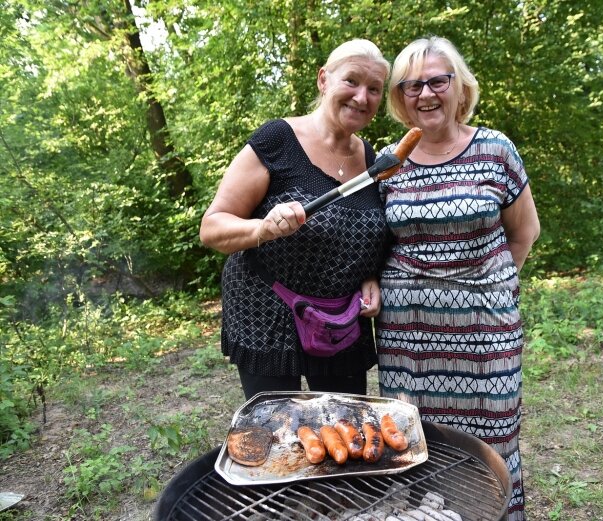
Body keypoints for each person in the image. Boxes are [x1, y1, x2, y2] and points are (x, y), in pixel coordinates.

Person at [376, 37, 540, 520]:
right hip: (408, 334)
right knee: (418, 440)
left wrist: (486, 287)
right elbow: (376, 242)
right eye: (411, 86)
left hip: (484, 330)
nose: (425, 94)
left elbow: (524, 232)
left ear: (459, 87)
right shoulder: (388, 162)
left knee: (490, 440)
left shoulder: (495, 148)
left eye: (437, 81)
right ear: (400, 97)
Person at [200, 39, 391, 400]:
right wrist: (262, 228)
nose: (362, 97)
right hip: (268, 312)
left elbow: (361, 234)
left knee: (346, 426)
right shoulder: (278, 140)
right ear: (323, 80)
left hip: (339, 319)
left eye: (374, 89)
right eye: (351, 81)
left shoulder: (371, 158)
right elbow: (212, 226)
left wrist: (369, 275)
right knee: (278, 432)